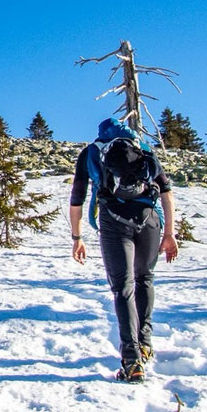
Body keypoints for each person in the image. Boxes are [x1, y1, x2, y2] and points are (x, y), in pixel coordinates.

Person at [69, 118, 179, 382]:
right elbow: (166, 191)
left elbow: (77, 197)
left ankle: (131, 362)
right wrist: (169, 233)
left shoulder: (91, 152)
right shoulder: (142, 147)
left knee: (123, 287)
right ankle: (145, 343)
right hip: (149, 218)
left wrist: (77, 237)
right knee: (145, 279)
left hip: (113, 219)